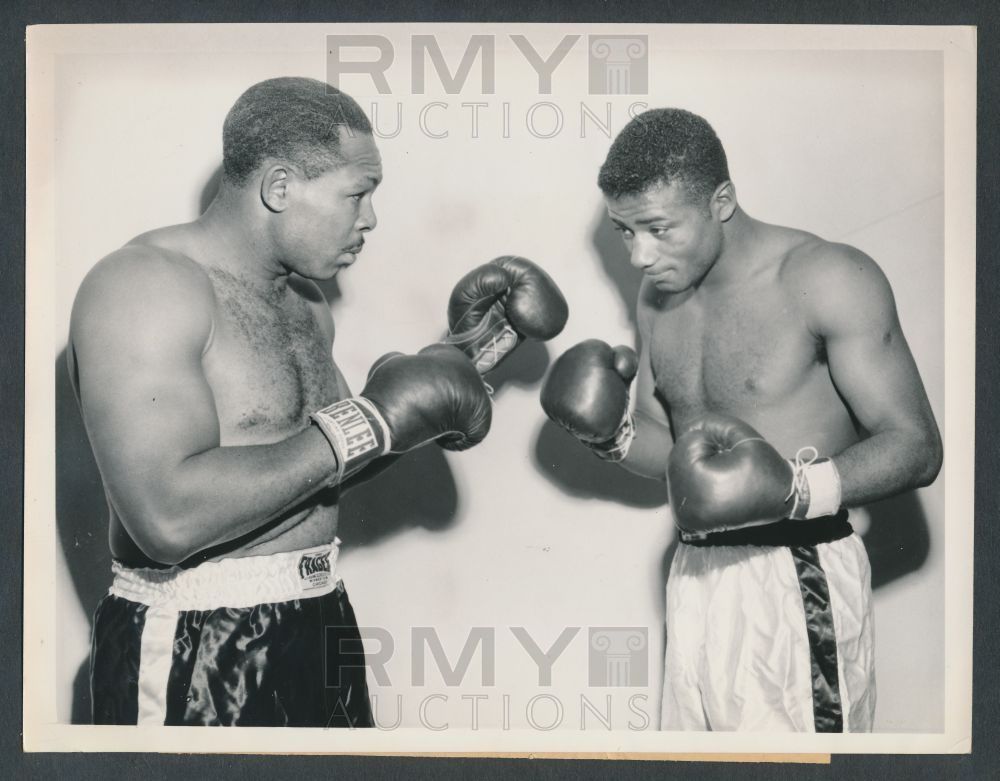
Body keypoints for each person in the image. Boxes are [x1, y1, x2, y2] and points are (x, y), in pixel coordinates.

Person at [68, 77, 566, 727]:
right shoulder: (142, 286)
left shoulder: (307, 306)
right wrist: (372, 416)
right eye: (357, 194)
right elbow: (165, 520)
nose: (371, 219)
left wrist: (460, 358)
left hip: (319, 610)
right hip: (194, 636)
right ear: (279, 187)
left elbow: (315, 466)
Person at [541, 108, 942, 732]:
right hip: (695, 574)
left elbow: (916, 447)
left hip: (797, 574)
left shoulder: (827, 276)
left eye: (657, 228)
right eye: (624, 231)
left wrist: (795, 488)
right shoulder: (660, 297)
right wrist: (610, 435)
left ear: (721, 201)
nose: (640, 255)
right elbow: (667, 449)